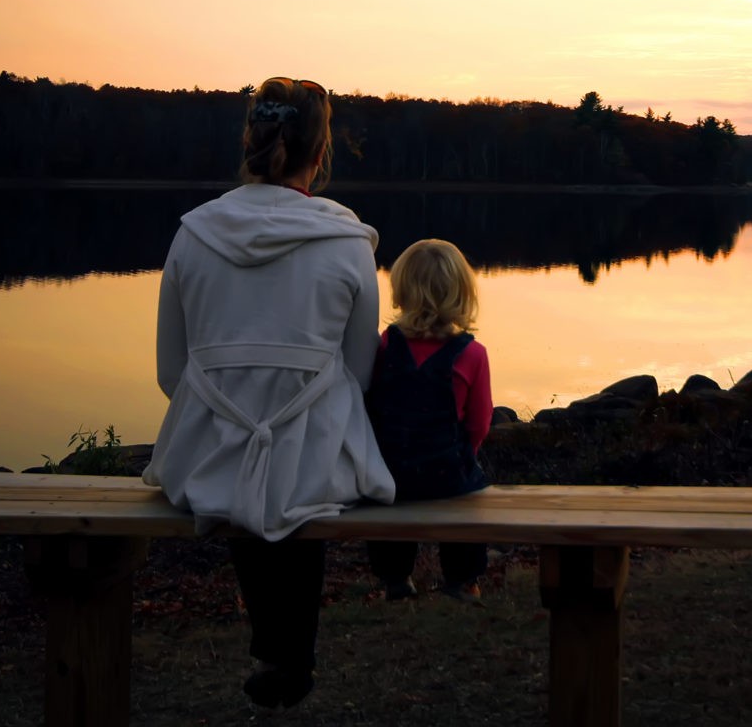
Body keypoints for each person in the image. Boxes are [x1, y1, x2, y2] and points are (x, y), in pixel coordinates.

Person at [143, 77, 394, 709]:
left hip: (207, 455)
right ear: (321, 150)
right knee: (297, 466)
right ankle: (288, 654)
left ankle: (281, 653)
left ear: (250, 141)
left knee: (243, 467)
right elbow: (360, 374)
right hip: (315, 459)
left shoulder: (191, 235)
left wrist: (238, 410)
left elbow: (171, 373)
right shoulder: (348, 242)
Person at [364, 237, 493, 602]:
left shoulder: (385, 346)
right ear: (462, 293)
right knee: (469, 496)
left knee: (385, 498)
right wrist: (464, 454)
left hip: (389, 470)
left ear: (402, 290)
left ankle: (394, 576)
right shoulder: (472, 354)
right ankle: (462, 578)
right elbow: (480, 423)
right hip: (444, 470)